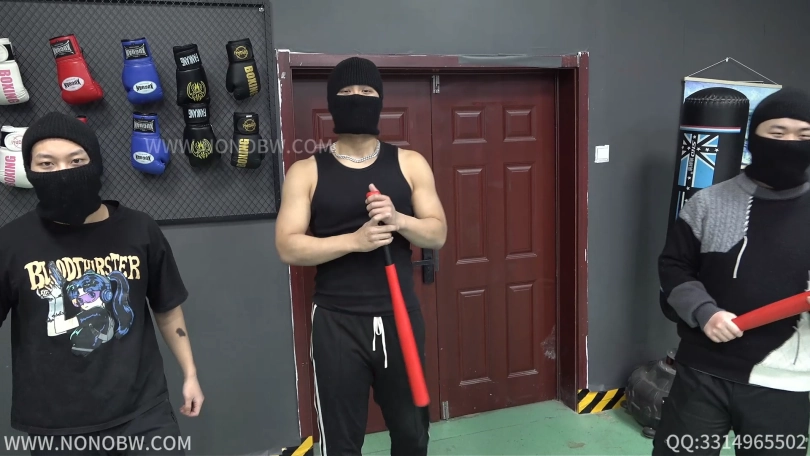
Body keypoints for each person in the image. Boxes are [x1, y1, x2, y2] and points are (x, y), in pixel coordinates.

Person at [0, 112, 204, 455]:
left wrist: (190, 373)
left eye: (76, 160)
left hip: (143, 415)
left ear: (94, 163)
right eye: (46, 164)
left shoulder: (140, 230)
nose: (63, 172)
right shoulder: (11, 243)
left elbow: (167, 309)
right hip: (54, 426)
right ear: (30, 170)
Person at [275, 56, 447, 456]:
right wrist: (354, 241)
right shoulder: (306, 171)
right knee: (341, 443)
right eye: (347, 91)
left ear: (380, 100)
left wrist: (399, 219)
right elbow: (287, 245)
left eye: (366, 91)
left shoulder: (410, 164)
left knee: (412, 436)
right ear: (332, 102)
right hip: (337, 321)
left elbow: (437, 233)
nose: (357, 97)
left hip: (399, 316)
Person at [655, 87, 810, 456]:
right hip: (703, 371)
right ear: (754, 137)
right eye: (777, 132)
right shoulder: (708, 203)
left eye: (804, 135)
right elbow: (674, 266)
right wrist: (705, 313)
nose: (790, 143)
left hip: (785, 380)